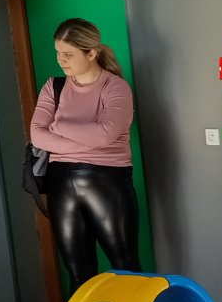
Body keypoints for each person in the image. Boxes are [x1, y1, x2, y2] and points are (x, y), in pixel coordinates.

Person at [29, 18, 142, 287]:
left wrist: (59, 127)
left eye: (68, 54)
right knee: (79, 275)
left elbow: (104, 135)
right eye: (58, 52)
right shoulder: (53, 87)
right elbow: (37, 135)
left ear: (91, 53)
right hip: (61, 185)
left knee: (126, 266)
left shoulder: (115, 87)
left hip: (108, 183)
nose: (61, 60)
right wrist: (89, 143)